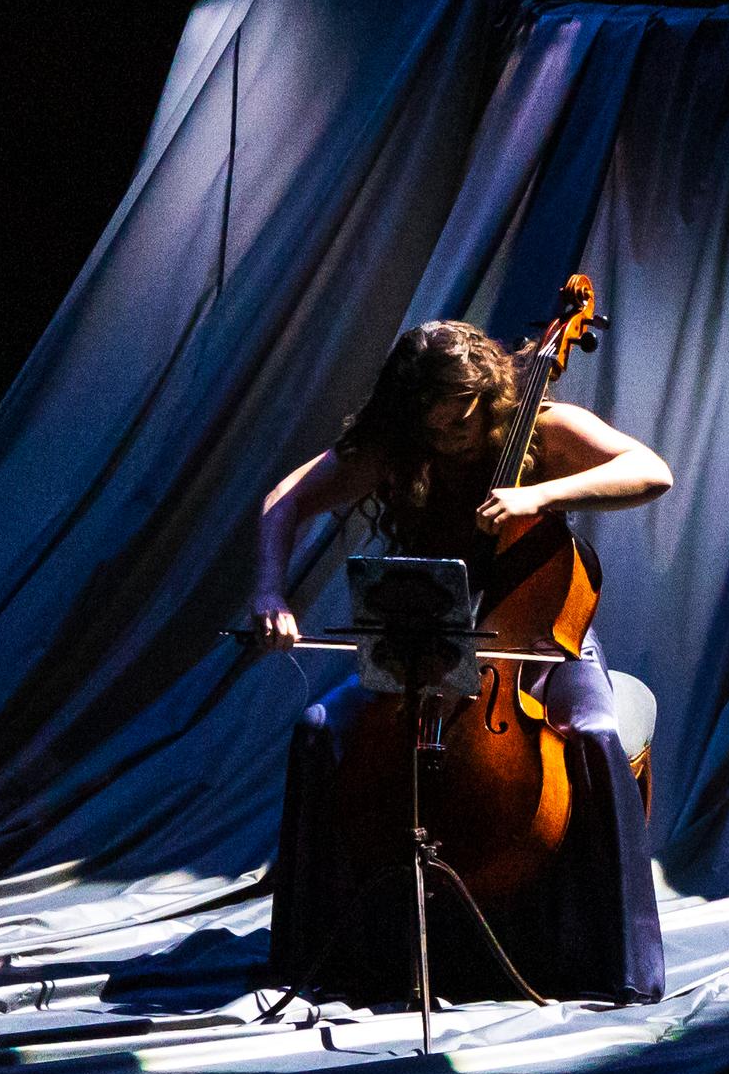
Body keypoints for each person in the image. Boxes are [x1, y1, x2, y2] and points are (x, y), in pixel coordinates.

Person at [252, 319, 674, 1007]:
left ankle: (619, 957)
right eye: (435, 426)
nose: (450, 438)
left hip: (538, 647)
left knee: (594, 737)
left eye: (463, 421)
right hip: (431, 647)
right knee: (321, 727)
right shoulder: (394, 445)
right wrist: (269, 590)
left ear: (488, 394)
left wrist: (540, 495)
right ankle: (317, 950)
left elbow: (651, 472)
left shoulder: (540, 426)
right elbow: (284, 501)